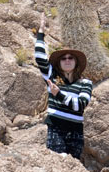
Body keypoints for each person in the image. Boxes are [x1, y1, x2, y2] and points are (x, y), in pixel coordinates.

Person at [35, 12, 93, 160]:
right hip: (55, 128)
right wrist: (41, 32)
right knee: (57, 163)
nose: (67, 60)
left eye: (70, 58)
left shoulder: (85, 83)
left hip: (75, 131)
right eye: (63, 58)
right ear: (59, 63)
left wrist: (59, 94)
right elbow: (40, 58)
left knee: (73, 167)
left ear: (76, 62)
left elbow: (80, 105)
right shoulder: (52, 77)